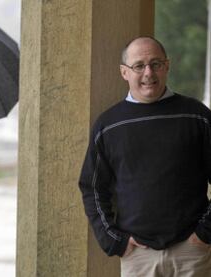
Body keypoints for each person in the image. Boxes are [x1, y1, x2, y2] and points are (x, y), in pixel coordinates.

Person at [78, 36, 211, 277]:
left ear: (167, 66)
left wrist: (205, 233)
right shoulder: (108, 126)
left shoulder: (198, 117)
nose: (148, 73)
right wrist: (115, 241)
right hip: (138, 257)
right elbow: (93, 188)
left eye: (156, 64)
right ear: (124, 72)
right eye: (139, 65)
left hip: (192, 252)